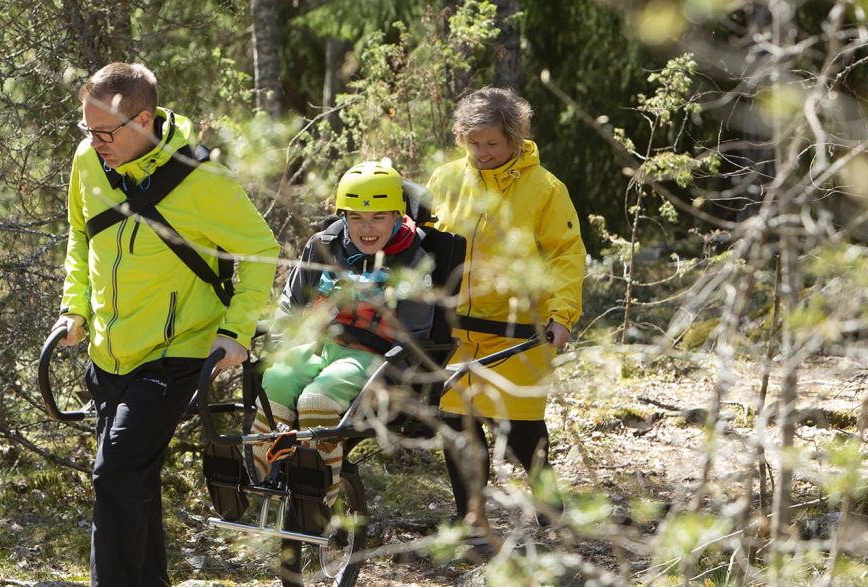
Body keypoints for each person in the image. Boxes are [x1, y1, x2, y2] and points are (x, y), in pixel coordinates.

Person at [52, 62, 279, 587]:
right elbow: (79, 234)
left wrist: (236, 333)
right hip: (110, 351)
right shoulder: (88, 160)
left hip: (178, 352)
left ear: (144, 120)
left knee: (114, 474)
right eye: (87, 129)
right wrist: (76, 308)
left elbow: (263, 249)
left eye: (104, 132)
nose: (94, 142)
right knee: (134, 480)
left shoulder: (203, 180)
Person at [425, 87, 586, 527]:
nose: (482, 153)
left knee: (520, 432)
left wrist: (562, 315)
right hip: (457, 331)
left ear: (515, 138)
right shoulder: (444, 180)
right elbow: (423, 242)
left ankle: (551, 510)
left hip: (520, 332)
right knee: (456, 423)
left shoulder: (545, 189)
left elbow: (565, 254)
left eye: (492, 143)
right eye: (473, 143)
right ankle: (470, 519)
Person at [251, 161, 435, 508]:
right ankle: (264, 469)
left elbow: (415, 332)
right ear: (344, 216)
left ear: (397, 217)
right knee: (273, 380)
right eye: (357, 218)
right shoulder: (325, 244)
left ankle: (320, 485)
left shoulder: (411, 258)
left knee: (316, 399)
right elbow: (292, 303)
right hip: (320, 345)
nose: (367, 228)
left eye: (379, 217)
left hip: (373, 357)